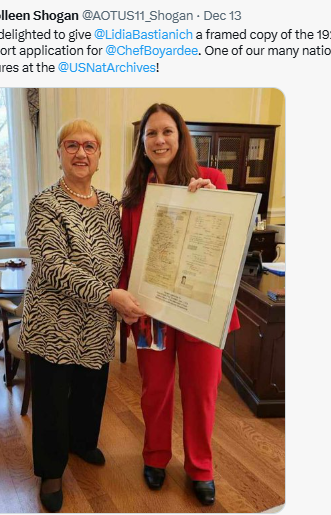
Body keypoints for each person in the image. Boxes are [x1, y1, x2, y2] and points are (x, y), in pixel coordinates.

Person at [18, 119, 145, 512]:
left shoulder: (110, 204)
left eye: (89, 146)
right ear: (59, 154)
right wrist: (112, 295)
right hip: (54, 322)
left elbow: (127, 252)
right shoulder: (45, 203)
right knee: (53, 400)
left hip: (97, 322)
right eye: (71, 145)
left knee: (92, 391)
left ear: (99, 156)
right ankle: (52, 471)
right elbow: (53, 264)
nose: (80, 153)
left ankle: (82, 442)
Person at [119, 103, 240, 506]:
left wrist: (214, 201)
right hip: (151, 311)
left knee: (201, 391)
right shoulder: (135, 195)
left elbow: (226, 239)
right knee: (155, 389)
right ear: (142, 143)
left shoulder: (212, 179)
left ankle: (200, 469)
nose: (159, 140)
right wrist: (126, 304)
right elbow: (128, 253)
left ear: (181, 136)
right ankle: (155, 457)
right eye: (151, 134)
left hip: (200, 311)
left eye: (167, 131)